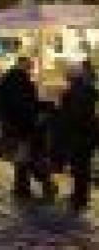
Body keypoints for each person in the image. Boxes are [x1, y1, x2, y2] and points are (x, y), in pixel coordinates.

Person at [0, 57, 49, 199]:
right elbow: (23, 104)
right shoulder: (19, 81)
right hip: (23, 125)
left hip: (15, 124)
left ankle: (21, 186)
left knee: (22, 156)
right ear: (22, 65)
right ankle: (22, 187)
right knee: (24, 156)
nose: (30, 69)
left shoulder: (9, 79)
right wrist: (35, 116)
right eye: (29, 66)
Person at [58, 62, 99, 212]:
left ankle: (80, 197)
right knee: (81, 166)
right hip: (84, 134)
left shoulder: (77, 92)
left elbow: (76, 115)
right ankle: (80, 194)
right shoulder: (84, 90)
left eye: (67, 73)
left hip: (79, 134)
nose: (65, 76)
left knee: (80, 166)